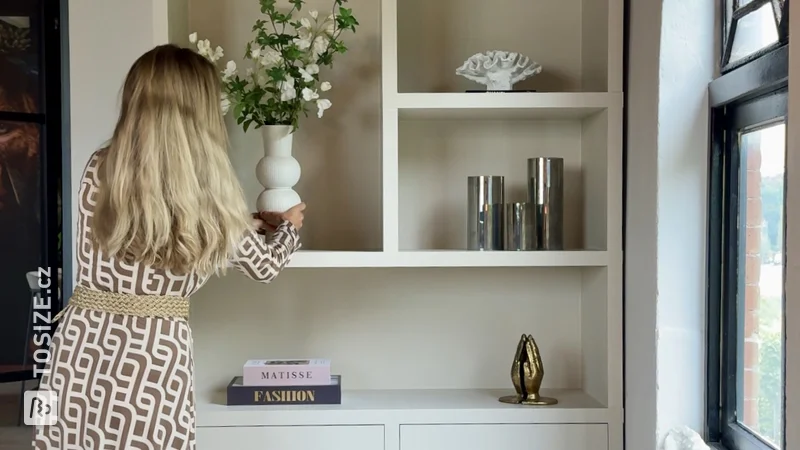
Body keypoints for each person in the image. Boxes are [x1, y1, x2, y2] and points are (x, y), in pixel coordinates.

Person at [33, 44, 305, 449]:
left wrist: (236, 224)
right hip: (153, 358)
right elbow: (263, 266)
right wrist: (289, 229)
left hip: (77, 347)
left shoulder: (100, 167)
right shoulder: (211, 195)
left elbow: (143, 228)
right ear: (202, 110)